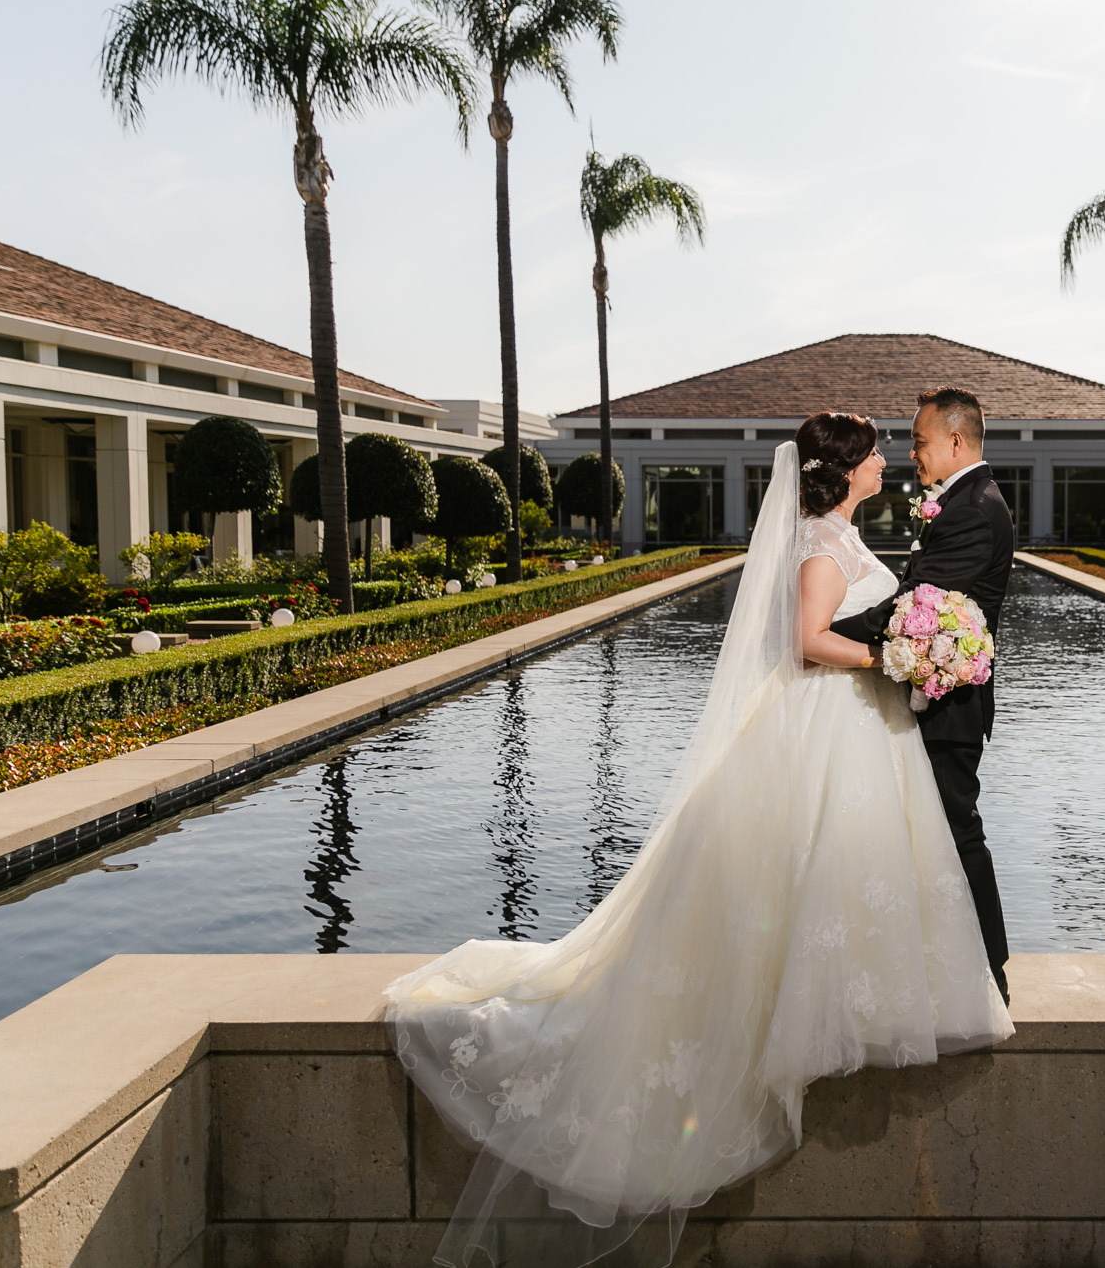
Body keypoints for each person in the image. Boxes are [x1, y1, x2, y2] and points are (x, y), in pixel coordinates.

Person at [385, 412, 1011, 1268]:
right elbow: (807, 639)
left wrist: (903, 649)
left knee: (840, 870)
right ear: (841, 471)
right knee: (811, 865)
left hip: (850, 729)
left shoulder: (839, 533)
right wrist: (890, 661)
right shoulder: (824, 544)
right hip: (831, 718)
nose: (885, 460)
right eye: (870, 452)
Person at [830, 386, 1014, 1002]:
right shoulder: (960, 499)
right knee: (937, 833)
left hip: (952, 702)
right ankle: (948, 963)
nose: (912, 453)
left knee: (957, 830)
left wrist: (822, 635)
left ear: (956, 441)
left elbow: (913, 605)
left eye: (920, 440)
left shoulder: (970, 508)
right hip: (935, 692)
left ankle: (991, 972)